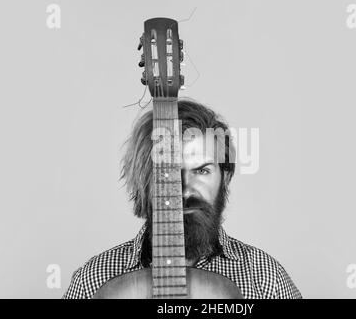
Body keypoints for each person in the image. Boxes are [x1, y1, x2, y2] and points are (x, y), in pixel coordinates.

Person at [63, 98, 301, 299]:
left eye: (202, 171)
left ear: (225, 177)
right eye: (169, 172)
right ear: (144, 181)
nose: (185, 189)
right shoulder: (93, 281)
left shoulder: (265, 279)